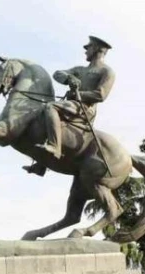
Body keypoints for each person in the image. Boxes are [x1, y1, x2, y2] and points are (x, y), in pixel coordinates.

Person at [30, 36, 115, 173]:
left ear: (98, 50)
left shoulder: (106, 72)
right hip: (71, 104)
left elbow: (101, 95)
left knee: (51, 107)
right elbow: (57, 74)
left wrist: (78, 94)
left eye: (89, 47)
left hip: (85, 108)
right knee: (43, 115)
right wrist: (69, 77)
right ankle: (42, 164)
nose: (86, 50)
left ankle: (55, 147)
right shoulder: (80, 70)